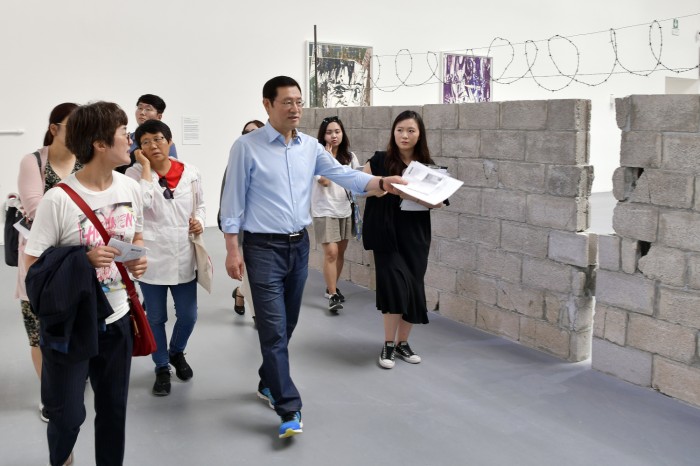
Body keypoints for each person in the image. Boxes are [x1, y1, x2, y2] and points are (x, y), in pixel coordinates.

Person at [220, 76, 404, 439]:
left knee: (286, 325)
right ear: (267, 104)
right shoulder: (246, 147)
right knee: (273, 329)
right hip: (262, 248)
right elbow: (233, 201)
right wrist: (231, 249)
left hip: (298, 245)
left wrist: (382, 183)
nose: (295, 109)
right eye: (287, 102)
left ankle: (268, 381)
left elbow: (345, 175)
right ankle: (289, 407)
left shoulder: (309, 147)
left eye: (299, 102)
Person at [24, 101, 147, 466]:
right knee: (66, 415)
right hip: (72, 323)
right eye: (124, 132)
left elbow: (137, 236)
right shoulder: (58, 200)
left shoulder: (130, 187)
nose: (131, 139)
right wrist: (84, 260)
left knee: (113, 409)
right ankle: (62, 458)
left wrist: (138, 258)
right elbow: (33, 269)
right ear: (100, 144)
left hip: (118, 317)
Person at [362, 110, 447, 370]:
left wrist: (414, 196)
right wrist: (384, 188)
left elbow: (439, 202)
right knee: (394, 287)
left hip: (415, 235)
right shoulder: (379, 160)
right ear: (393, 132)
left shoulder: (428, 167)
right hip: (386, 233)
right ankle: (388, 343)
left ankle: (403, 343)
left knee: (413, 288)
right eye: (400, 130)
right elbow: (360, 188)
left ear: (420, 135)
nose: (404, 135)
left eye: (411, 130)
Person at [125, 119, 205, 396]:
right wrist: (145, 168)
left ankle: (176, 352)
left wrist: (199, 221)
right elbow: (142, 203)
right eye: (145, 142)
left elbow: (201, 205)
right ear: (139, 148)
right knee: (156, 317)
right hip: (152, 258)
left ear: (169, 141)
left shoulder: (191, 172)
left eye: (158, 139)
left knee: (188, 315)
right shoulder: (134, 175)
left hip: (183, 255)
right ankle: (161, 366)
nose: (153, 145)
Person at [15, 102, 82, 423]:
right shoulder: (34, 162)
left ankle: (72, 379)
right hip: (40, 265)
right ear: (54, 129)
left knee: (76, 326)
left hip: (78, 262)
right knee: (40, 333)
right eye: (74, 125)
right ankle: (50, 394)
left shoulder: (86, 161)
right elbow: (36, 210)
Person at [311, 116, 360, 313]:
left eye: (337, 132)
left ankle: (331, 287)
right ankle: (332, 295)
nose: (333, 136)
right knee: (331, 252)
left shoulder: (350, 157)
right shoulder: (318, 157)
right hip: (324, 210)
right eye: (329, 132)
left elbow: (356, 180)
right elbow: (324, 181)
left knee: (340, 252)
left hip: (344, 209)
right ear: (322, 136)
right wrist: (329, 158)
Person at [218, 119, 264, 320]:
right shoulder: (236, 162)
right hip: (246, 231)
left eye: (254, 131)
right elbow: (226, 198)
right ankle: (258, 318)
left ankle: (240, 292)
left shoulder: (273, 162)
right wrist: (230, 236)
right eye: (246, 132)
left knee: (261, 277)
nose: (249, 135)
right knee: (252, 276)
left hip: (269, 232)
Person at [115, 94, 177, 174]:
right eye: (140, 108)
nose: (142, 112)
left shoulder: (166, 143)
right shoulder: (127, 138)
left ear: (159, 117)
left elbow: (172, 170)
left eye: (148, 109)